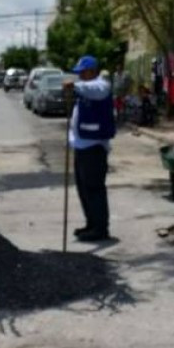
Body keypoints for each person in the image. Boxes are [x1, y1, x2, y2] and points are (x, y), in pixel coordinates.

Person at [65, 55, 115, 242]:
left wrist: (75, 86)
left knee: (94, 188)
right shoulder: (85, 89)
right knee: (83, 188)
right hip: (81, 145)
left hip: (94, 147)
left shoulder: (101, 85)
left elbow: (97, 90)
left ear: (92, 71)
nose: (80, 77)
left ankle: (101, 228)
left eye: (83, 73)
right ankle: (91, 223)